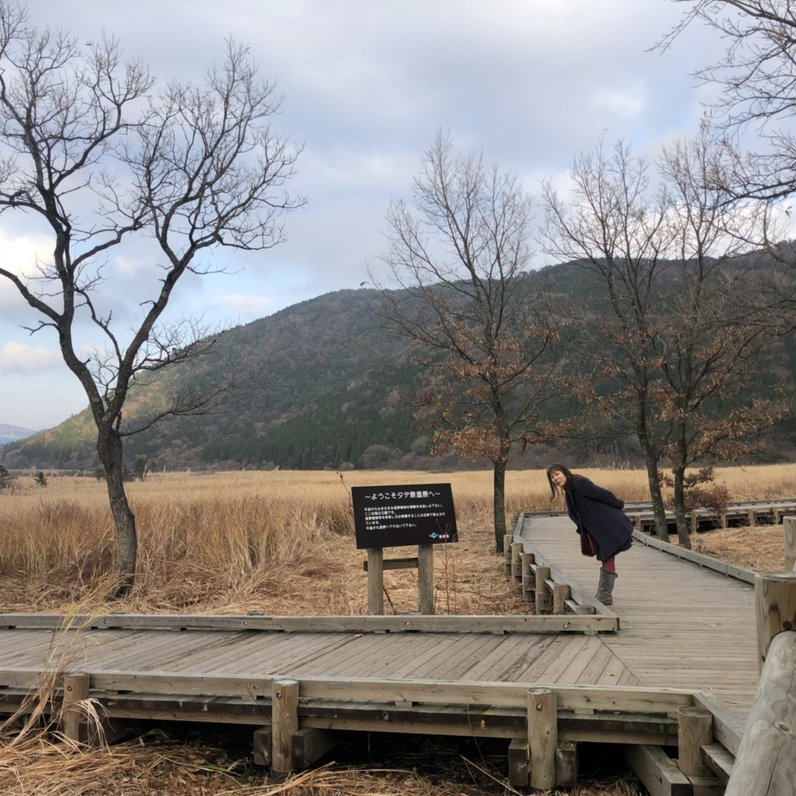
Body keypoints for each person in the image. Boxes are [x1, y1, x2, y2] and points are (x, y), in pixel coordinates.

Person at [546, 464, 633, 606]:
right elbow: (575, 515)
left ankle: (604, 594)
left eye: (557, 474)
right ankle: (604, 594)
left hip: (609, 524)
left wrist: (619, 504)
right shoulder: (569, 491)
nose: (555, 478)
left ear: (565, 472)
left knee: (607, 556)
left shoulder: (579, 484)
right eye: (552, 477)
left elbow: (603, 494)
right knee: (606, 557)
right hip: (598, 530)